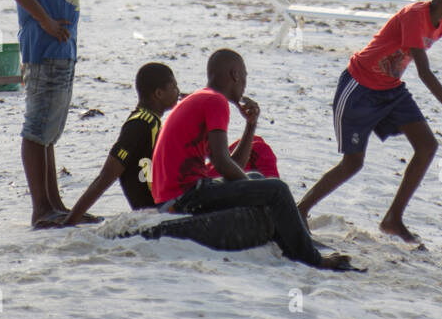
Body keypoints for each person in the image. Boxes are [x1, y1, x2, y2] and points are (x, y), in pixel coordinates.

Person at [297, 0, 442, 244]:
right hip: (359, 86)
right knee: (352, 163)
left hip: (390, 90)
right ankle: (300, 211)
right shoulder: (414, 17)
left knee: (427, 146)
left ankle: (393, 219)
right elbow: (424, 73)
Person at [150, 49, 353, 269]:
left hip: (174, 195)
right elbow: (221, 162)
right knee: (276, 189)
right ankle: (313, 258)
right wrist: (255, 189)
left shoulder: (201, 98)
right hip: (184, 196)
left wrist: (250, 125)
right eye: (245, 77)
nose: (245, 84)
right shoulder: (215, 101)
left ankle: (294, 242)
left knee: (257, 176)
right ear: (235, 74)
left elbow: (231, 164)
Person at [63, 62, 281, 225]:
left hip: (180, 189)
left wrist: (249, 125)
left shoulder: (154, 122)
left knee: (254, 146)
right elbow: (106, 176)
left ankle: (268, 202)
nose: (178, 91)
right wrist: (71, 221)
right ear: (159, 93)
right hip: (168, 204)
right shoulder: (140, 125)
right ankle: (272, 207)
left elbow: (220, 160)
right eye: (174, 87)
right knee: (258, 151)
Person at [0, 0, 83, 229]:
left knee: (49, 131)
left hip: (59, 50)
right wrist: (46, 21)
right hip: (46, 48)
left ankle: (55, 204)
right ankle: (41, 210)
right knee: (37, 130)